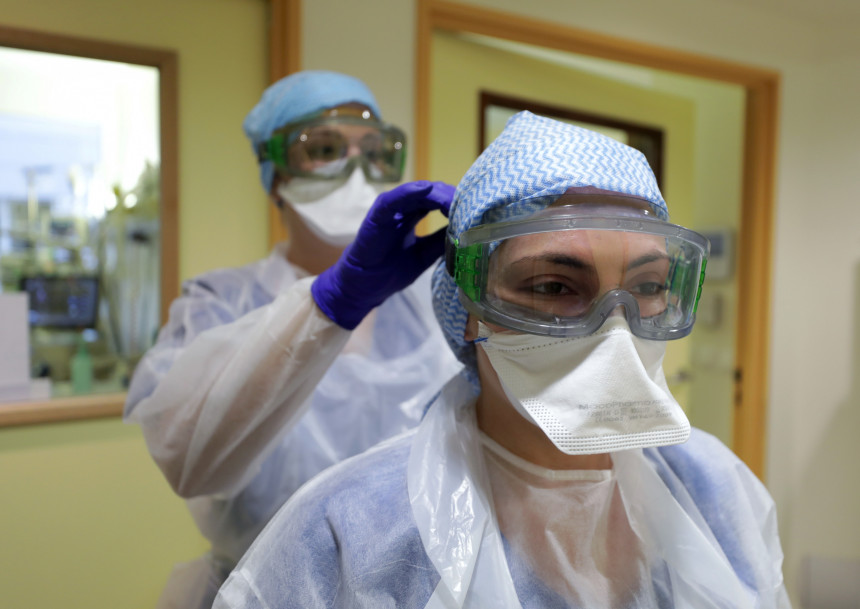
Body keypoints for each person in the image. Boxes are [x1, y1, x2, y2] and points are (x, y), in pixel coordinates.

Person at [213, 111, 791, 609]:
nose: (614, 326)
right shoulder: (351, 529)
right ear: (469, 307)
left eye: (647, 286)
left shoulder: (715, 488)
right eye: (553, 286)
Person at [124, 70, 461, 609]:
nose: (356, 170)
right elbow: (189, 461)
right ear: (274, 174)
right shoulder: (222, 302)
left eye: (375, 151)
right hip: (261, 593)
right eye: (324, 149)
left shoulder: (431, 303)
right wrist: (328, 307)